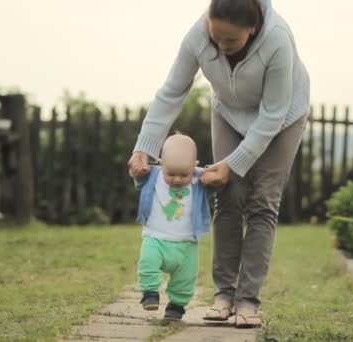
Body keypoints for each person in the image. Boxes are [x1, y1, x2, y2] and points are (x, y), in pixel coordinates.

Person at [127, 0, 310, 328]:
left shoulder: (278, 39)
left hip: (281, 119)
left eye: (231, 41)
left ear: (251, 28)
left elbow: (272, 115)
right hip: (228, 113)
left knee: (262, 204)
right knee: (226, 195)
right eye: (216, 38)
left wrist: (235, 162)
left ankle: (248, 301)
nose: (222, 48)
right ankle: (224, 295)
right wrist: (144, 148)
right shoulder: (197, 36)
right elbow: (171, 93)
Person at [132, 133, 211, 321]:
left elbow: (216, 183)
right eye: (171, 174)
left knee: (186, 278)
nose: (176, 179)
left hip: (187, 243)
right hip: (155, 237)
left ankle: (176, 306)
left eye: (184, 174)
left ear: (195, 165)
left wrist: (213, 178)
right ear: (161, 163)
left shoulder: (200, 178)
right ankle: (150, 293)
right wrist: (137, 171)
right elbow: (138, 179)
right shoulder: (152, 174)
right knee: (147, 263)